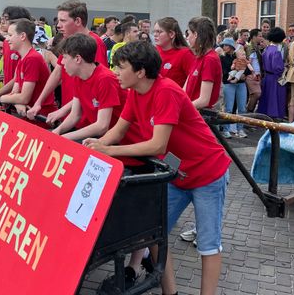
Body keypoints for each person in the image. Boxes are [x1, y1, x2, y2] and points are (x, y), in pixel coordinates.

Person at [84, 41, 231, 295]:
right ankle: (170, 292)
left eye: (121, 67)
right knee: (153, 232)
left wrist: (109, 151)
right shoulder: (134, 92)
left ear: (140, 72)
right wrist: (97, 145)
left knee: (208, 243)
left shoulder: (166, 91)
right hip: (178, 174)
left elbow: (157, 144)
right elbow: (119, 129)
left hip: (207, 172)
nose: (115, 72)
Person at [27, 0, 107, 120]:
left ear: (78, 21)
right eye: (58, 20)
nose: (58, 25)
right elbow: (57, 73)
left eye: (63, 21)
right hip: (68, 117)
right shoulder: (69, 42)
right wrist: (39, 102)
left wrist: (63, 111)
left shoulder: (95, 43)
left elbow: (97, 84)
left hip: (85, 120)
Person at [51, 34, 126, 142]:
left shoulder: (105, 79)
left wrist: (63, 138)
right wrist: (57, 131)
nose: (62, 62)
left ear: (77, 59)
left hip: (123, 142)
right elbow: (75, 115)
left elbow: (102, 126)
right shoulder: (79, 77)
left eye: (65, 57)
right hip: (104, 139)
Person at [0, 19, 57, 119]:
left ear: (22, 36)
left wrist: (0, 98)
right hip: (30, 116)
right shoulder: (23, 58)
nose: (7, 39)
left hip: (40, 118)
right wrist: (17, 102)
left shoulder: (32, 58)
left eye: (10, 35)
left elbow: (24, 98)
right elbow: (15, 93)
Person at [184, 17, 222, 111]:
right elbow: (184, 90)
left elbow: (204, 100)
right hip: (192, 111)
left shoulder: (210, 59)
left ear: (196, 34)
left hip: (201, 115)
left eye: (188, 33)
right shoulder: (198, 57)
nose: (187, 37)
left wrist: (181, 109)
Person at [218, 37, 248, 138]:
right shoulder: (222, 58)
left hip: (241, 83)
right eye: (223, 45)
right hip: (228, 83)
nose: (224, 47)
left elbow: (247, 67)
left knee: (242, 108)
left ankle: (240, 129)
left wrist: (245, 74)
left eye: (226, 45)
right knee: (228, 108)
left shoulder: (239, 55)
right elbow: (224, 72)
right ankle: (226, 130)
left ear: (231, 47)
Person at [154, 17, 194, 88]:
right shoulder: (154, 50)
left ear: (171, 34)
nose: (155, 34)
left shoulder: (185, 53)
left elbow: (193, 80)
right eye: (154, 31)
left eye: (159, 32)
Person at [258, 27, 287, 120]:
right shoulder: (276, 52)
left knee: (266, 97)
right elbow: (277, 68)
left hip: (267, 77)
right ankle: (275, 116)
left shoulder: (267, 49)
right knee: (275, 98)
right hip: (275, 78)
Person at [245, 29, 264, 112]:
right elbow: (249, 62)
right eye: (259, 36)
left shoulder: (257, 47)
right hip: (252, 74)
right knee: (257, 93)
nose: (261, 38)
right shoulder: (249, 47)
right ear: (253, 37)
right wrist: (251, 73)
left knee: (254, 94)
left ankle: (249, 112)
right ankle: (249, 112)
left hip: (257, 74)